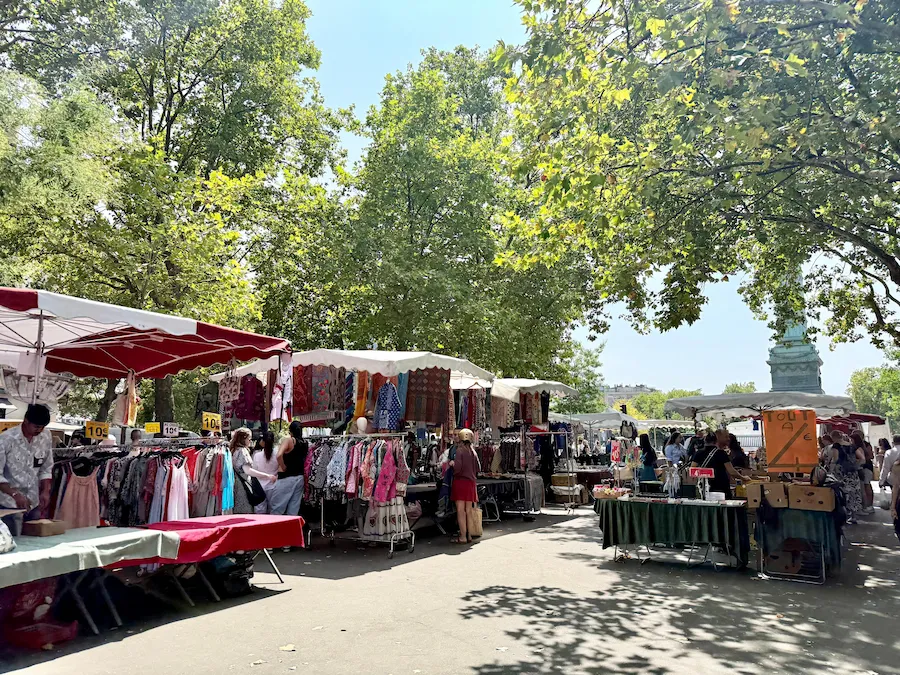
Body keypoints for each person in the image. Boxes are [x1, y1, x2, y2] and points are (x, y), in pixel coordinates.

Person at [0, 404, 53, 535]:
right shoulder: (6, 439)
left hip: (33, 502)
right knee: (12, 543)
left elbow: (46, 467)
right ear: (26, 421)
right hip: (9, 504)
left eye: (42, 427)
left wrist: (45, 491)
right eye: (36, 426)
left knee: (33, 542)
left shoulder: (46, 437)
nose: (39, 430)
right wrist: (14, 494)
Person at [229, 427, 276, 515]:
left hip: (236, 485)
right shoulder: (242, 451)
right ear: (243, 439)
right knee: (245, 511)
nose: (250, 441)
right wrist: (267, 476)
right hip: (243, 487)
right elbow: (248, 471)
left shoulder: (232, 450)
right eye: (249, 439)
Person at [823, 430, 863, 523]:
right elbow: (862, 458)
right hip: (853, 473)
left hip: (841, 473)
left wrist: (830, 471)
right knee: (854, 493)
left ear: (833, 438)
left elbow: (835, 459)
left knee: (843, 494)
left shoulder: (836, 446)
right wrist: (855, 466)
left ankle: (844, 516)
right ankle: (854, 516)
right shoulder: (852, 445)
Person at [691, 430, 742, 499]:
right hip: (721, 486)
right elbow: (731, 471)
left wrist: (706, 473)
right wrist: (743, 477)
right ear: (716, 441)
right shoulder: (721, 453)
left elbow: (693, 470)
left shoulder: (698, 453)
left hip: (705, 487)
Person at [271, 421, 306, 517]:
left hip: (286, 477)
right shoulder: (305, 443)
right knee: (293, 510)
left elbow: (279, 455)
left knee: (277, 509)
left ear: (290, 431)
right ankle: (291, 531)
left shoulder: (289, 440)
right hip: (299, 477)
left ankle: (275, 531)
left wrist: (283, 466)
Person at [450, 429, 479, 544]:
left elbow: (458, 469)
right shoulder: (473, 451)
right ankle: (469, 535)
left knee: (460, 511)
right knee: (469, 510)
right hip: (471, 483)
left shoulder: (460, 451)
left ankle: (462, 536)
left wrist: (453, 465)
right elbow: (478, 468)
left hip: (461, 482)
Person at [252, 430, 279, 513]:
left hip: (260, 487)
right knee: (273, 510)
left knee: (260, 511)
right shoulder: (278, 454)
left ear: (263, 441)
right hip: (274, 486)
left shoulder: (257, 455)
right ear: (273, 441)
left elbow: (254, 471)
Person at [851, 430, 875, 514]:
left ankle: (869, 505)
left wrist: (858, 460)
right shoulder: (859, 446)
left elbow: (871, 456)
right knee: (865, 486)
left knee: (866, 485)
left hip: (866, 468)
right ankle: (867, 505)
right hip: (865, 467)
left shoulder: (865, 445)